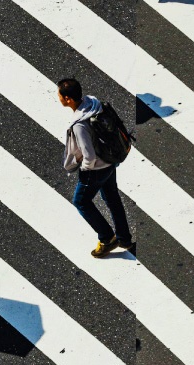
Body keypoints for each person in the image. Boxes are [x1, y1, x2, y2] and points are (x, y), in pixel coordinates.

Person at [57, 78, 133, 258]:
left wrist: (84, 169)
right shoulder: (93, 105)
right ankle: (124, 238)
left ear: (68, 99)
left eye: (60, 95)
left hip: (95, 170)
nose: (58, 98)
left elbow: (89, 156)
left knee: (81, 201)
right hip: (110, 161)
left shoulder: (79, 125)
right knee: (112, 198)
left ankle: (107, 238)